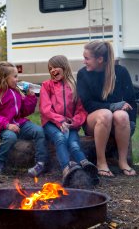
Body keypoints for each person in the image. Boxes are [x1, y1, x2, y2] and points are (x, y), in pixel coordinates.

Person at [77, 40, 137, 177]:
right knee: (106, 115)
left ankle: (123, 161)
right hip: (94, 121)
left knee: (122, 115)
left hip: (117, 123)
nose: (84, 61)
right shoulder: (83, 74)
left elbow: (131, 100)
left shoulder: (120, 72)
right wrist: (112, 106)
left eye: (87, 58)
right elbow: (87, 104)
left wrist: (131, 122)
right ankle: (101, 162)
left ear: (100, 59)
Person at [39, 55, 99, 186]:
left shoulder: (73, 86)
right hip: (51, 124)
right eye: (50, 69)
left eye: (55, 67)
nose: (52, 71)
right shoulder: (46, 85)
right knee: (60, 138)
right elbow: (45, 109)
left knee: (74, 144)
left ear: (64, 67)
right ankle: (66, 169)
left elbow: (81, 110)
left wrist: (73, 122)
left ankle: (86, 166)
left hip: (69, 125)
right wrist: (60, 121)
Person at [0, 61, 48, 177]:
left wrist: (30, 98)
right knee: (10, 137)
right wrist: (7, 125)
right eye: (15, 76)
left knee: (39, 131)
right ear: (4, 78)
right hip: (4, 127)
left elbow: (24, 111)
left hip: (19, 123)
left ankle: (40, 162)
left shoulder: (16, 91)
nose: (17, 79)